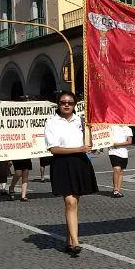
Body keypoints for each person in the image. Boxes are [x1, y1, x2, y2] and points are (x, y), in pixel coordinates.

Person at [44, 90, 97, 257]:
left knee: (74, 202)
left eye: (70, 102)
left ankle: (69, 240)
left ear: (74, 104)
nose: (66, 105)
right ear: (58, 104)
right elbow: (53, 149)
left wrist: (89, 134)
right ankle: (75, 241)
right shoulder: (52, 122)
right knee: (70, 202)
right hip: (62, 163)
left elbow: (89, 143)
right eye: (63, 102)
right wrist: (79, 149)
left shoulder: (81, 121)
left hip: (80, 163)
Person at [106, 124, 133, 196]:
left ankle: (118, 190)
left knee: (121, 171)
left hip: (123, 153)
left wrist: (118, 144)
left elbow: (129, 141)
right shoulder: (112, 126)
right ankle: (115, 189)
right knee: (116, 169)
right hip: (113, 151)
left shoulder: (128, 129)